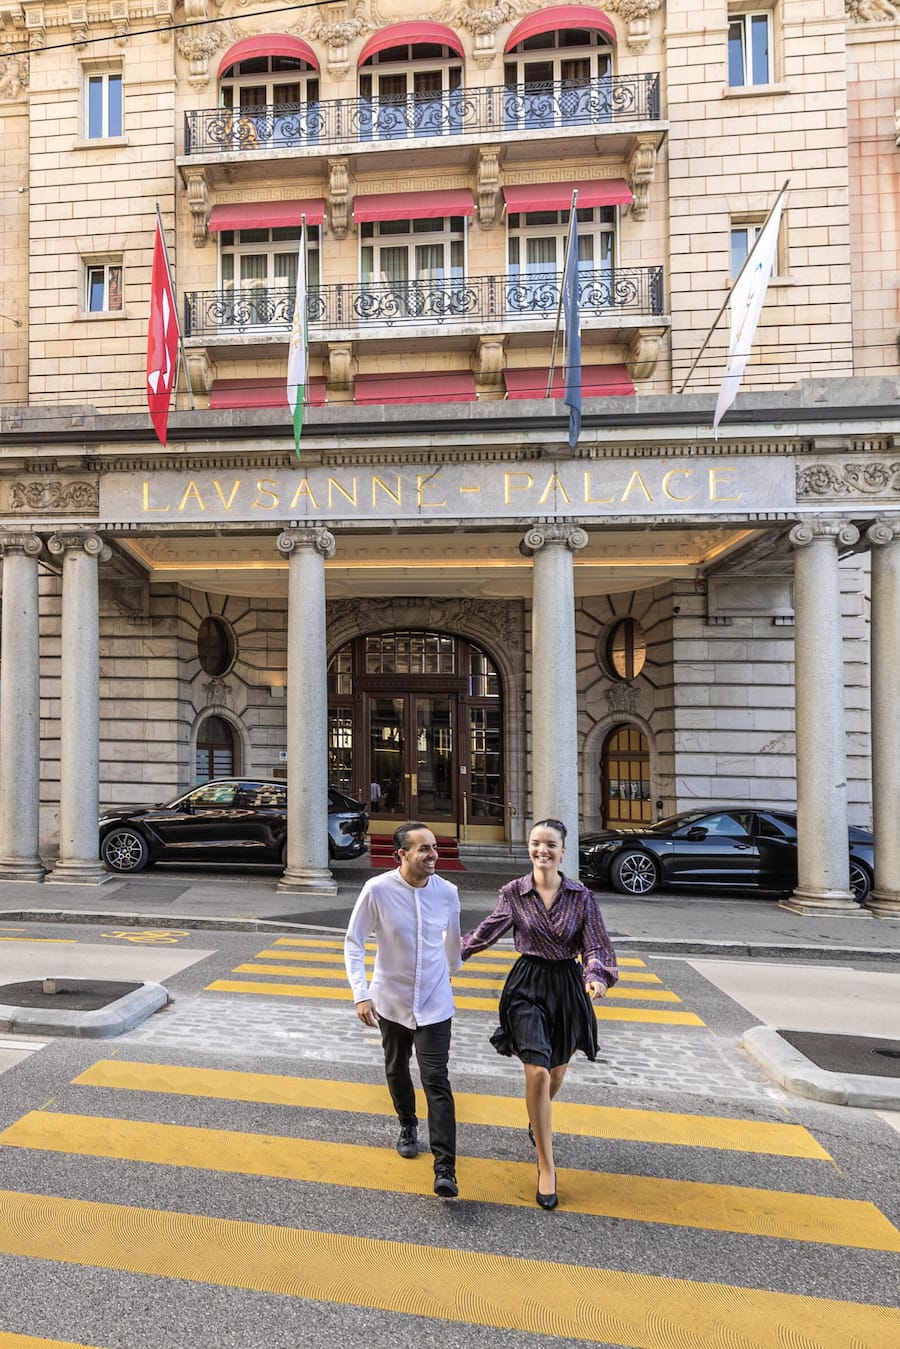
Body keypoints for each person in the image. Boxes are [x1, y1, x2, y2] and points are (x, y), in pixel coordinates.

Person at [461, 818, 617, 1211]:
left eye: (550, 844)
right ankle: (546, 1166)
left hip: (566, 986)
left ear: (563, 851)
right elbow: (486, 932)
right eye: (535, 843)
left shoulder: (582, 897)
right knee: (538, 1071)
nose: (541, 850)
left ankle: (537, 1117)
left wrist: (596, 976)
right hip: (526, 985)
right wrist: (447, 955)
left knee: (557, 1072)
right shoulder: (514, 892)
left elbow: (596, 944)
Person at [344, 821, 462, 1198]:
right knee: (396, 1068)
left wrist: (448, 973)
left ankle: (445, 1167)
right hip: (391, 1001)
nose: (433, 854)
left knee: (436, 1079)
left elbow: (453, 942)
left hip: (435, 1003)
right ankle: (408, 1124)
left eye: (434, 847)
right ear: (402, 854)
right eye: (424, 848)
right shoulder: (377, 890)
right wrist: (361, 994)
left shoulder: (447, 893)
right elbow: (354, 942)